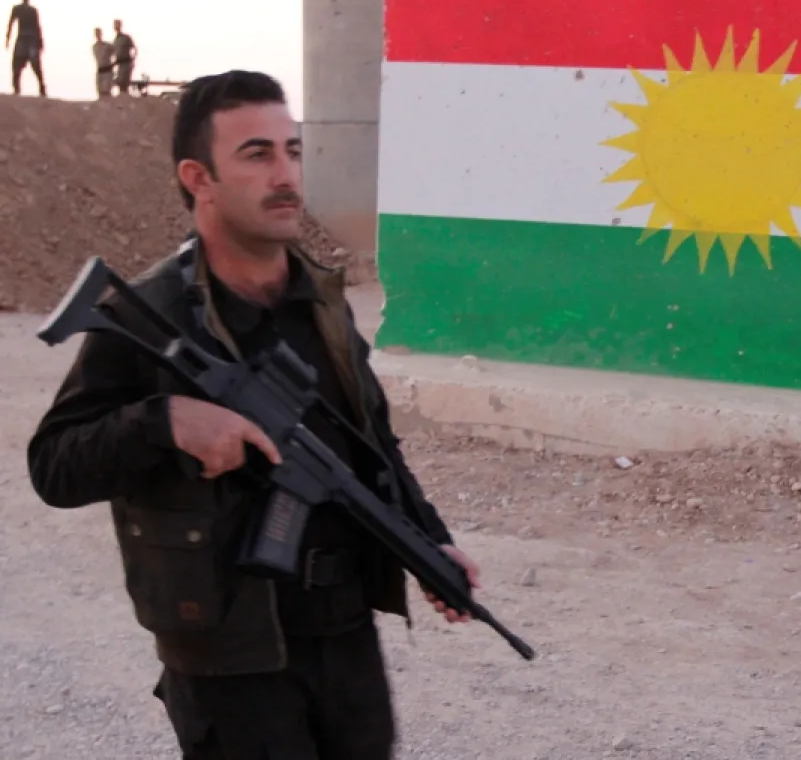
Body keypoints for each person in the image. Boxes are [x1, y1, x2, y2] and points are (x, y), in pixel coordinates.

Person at [26, 69, 482, 760]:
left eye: (293, 151)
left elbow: (373, 445)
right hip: (228, 656)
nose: (286, 174)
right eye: (257, 154)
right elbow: (54, 464)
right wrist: (165, 422)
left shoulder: (322, 302)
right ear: (198, 177)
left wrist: (427, 543)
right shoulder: (150, 316)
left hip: (344, 636)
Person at [6, 0, 45, 96]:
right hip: (26, 39)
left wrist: (8, 38)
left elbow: (37, 26)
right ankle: (18, 89)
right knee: (19, 66)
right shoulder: (21, 9)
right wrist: (7, 38)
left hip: (28, 39)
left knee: (33, 66)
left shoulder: (30, 10)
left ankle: (41, 88)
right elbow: (11, 23)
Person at [111, 18, 136, 95]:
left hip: (126, 63)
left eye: (117, 25)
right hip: (119, 64)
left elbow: (134, 48)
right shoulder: (115, 40)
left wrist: (133, 59)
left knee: (124, 83)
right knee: (120, 83)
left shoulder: (126, 37)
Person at [92, 27, 114, 98]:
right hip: (100, 70)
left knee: (106, 91)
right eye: (96, 33)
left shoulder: (107, 45)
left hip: (107, 70)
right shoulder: (94, 46)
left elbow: (115, 52)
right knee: (100, 91)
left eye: (99, 33)